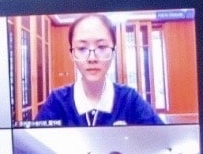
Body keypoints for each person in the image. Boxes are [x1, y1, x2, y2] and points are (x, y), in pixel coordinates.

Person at [33, 14, 162, 126]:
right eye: (82, 48)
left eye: (101, 47)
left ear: (113, 52)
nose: (92, 58)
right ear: (72, 54)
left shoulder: (129, 99)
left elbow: (161, 139)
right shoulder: (57, 101)